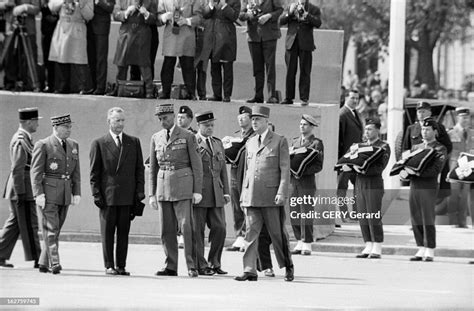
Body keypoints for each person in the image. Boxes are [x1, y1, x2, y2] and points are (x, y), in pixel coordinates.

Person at [235, 105, 293, 282]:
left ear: (267, 121)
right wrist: (243, 194)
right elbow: (246, 170)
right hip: (252, 196)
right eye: (252, 119)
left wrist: (282, 192)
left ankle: (288, 267)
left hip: (271, 197)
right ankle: (249, 270)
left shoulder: (279, 140)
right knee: (251, 234)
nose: (254, 122)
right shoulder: (250, 142)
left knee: (277, 234)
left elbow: (285, 169)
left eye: (257, 119)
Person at [149, 103, 203, 277]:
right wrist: (152, 193)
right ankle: (171, 265)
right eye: (160, 119)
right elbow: (153, 168)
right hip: (163, 185)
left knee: (187, 227)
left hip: (183, 185)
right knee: (166, 229)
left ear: (173, 116)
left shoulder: (187, 136)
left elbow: (196, 164)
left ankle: (191, 265)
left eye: (165, 118)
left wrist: (197, 190)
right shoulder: (156, 137)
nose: (162, 121)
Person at [89, 107, 145, 276]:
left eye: (122, 120)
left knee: (123, 233)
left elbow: (139, 170)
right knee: (107, 233)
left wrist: (139, 193)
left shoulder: (133, 142)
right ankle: (109, 265)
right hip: (108, 197)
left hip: (127, 197)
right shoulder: (99, 143)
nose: (120, 124)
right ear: (109, 121)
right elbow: (94, 173)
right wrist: (96, 194)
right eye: (116, 120)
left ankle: (121, 265)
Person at [31, 114, 81, 274]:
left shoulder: (74, 145)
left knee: (55, 229)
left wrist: (76, 192)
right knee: (51, 229)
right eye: (65, 127)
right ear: (55, 127)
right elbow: (36, 172)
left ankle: (43, 263)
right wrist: (38, 194)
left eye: (70, 127)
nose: (69, 130)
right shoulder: (43, 145)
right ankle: (55, 262)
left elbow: (76, 171)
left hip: (65, 193)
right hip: (48, 193)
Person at [400, 119, 447, 262]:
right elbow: (406, 163)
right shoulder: (415, 147)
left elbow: (435, 169)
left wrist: (416, 172)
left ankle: (430, 248)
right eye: (422, 129)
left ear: (435, 132)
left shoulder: (440, 148)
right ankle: (420, 247)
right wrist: (404, 172)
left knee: (427, 217)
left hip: (428, 185)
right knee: (416, 216)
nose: (424, 132)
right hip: (415, 185)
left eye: (427, 129)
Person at [0, 108, 42, 268]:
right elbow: (18, 168)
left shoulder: (25, 138)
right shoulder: (20, 139)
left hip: (21, 187)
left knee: (15, 223)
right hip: (21, 188)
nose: (38, 123)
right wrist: (21, 192)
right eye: (36, 120)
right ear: (29, 122)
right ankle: (39, 258)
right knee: (31, 223)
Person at [193, 111, 230, 275]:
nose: (210, 128)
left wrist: (226, 192)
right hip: (199, 193)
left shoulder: (217, 143)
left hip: (217, 192)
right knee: (197, 230)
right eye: (206, 125)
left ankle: (214, 262)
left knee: (220, 228)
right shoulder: (192, 142)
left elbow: (223, 169)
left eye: (212, 125)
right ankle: (200, 265)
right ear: (198, 126)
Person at [349, 118, 390, 259]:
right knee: (362, 214)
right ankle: (368, 243)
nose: (367, 132)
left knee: (373, 214)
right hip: (360, 183)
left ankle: (377, 244)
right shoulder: (359, 146)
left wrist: (362, 169)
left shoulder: (383, 146)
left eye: (370, 129)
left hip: (373, 182)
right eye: (366, 129)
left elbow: (380, 167)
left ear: (378, 130)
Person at [289, 114, 324, 255]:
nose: (301, 126)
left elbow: (318, 165)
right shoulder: (295, 141)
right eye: (301, 124)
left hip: (307, 181)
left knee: (306, 211)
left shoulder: (316, 143)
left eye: (305, 124)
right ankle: (299, 240)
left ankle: (307, 242)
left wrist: (302, 171)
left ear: (311, 127)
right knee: (294, 211)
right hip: (293, 182)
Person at [111, 0, 157, 98]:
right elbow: (115, 14)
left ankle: (149, 90)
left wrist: (146, 13)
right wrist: (126, 12)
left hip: (142, 33)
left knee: (144, 63)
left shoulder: (150, 1)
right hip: (126, 33)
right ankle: (119, 88)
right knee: (121, 62)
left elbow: (155, 19)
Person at [156, 0, 202, 100]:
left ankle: (191, 92)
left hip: (187, 36)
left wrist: (187, 20)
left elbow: (199, 17)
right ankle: (165, 91)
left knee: (188, 66)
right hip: (171, 35)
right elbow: (158, 18)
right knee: (168, 64)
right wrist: (164, 17)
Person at [239, 0, 283, 104]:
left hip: (269, 35)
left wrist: (269, 16)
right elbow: (240, 15)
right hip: (253, 36)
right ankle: (258, 95)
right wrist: (248, 15)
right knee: (257, 67)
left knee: (270, 66)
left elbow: (279, 10)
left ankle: (272, 95)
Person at [279, 0, 321, 106]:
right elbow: (281, 21)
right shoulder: (290, 6)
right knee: (290, 71)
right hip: (291, 43)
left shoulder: (313, 8)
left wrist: (307, 15)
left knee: (305, 72)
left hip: (306, 44)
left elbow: (318, 23)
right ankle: (289, 97)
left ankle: (304, 98)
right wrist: (290, 13)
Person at [197, 0, 240, 102]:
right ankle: (217, 94)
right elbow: (205, 14)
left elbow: (234, 16)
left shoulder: (234, 1)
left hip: (227, 38)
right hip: (213, 38)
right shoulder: (210, 1)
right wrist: (211, 5)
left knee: (227, 68)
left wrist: (224, 5)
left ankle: (227, 94)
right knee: (215, 68)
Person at [48, 0, 94, 94]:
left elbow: (89, 16)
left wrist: (81, 4)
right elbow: (52, 6)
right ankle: (62, 86)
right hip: (63, 26)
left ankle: (84, 86)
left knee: (79, 58)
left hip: (77, 27)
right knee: (62, 56)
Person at [225, 105, 254, 252]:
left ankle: (246, 236)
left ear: (251, 118)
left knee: (246, 206)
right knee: (236, 205)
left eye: (244, 117)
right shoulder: (237, 135)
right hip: (235, 172)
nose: (241, 119)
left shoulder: (253, 136)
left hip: (247, 173)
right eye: (239, 117)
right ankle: (239, 236)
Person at [337, 89, 363, 221]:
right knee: (342, 187)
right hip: (345, 159)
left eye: (357, 98)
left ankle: (356, 212)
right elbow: (339, 140)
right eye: (352, 98)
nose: (355, 101)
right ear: (346, 98)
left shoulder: (355, 113)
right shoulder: (342, 114)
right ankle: (343, 214)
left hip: (356, 159)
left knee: (358, 185)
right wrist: (341, 160)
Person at [447, 108, 474, 228]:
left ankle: (462, 222)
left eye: (467, 117)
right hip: (455, 167)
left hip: (469, 168)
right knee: (453, 194)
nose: (465, 120)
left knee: (464, 195)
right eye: (463, 117)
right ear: (458, 118)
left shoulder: (472, 133)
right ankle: (453, 221)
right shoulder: (451, 133)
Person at [176, 105, 196, 248]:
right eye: (178, 117)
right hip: (175, 177)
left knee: (188, 210)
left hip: (189, 176)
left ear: (190, 119)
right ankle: (178, 234)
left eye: (182, 117)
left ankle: (185, 234)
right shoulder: (172, 134)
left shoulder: (194, 135)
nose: (179, 120)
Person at [86, 0, 115, 95]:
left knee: (100, 58)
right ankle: (92, 86)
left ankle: (100, 87)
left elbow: (110, 7)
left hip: (101, 26)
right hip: (88, 24)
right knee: (91, 58)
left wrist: (99, 2)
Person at [40, 0, 59, 93]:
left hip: (58, 33)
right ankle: (49, 84)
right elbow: (44, 10)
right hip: (47, 34)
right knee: (47, 61)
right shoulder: (46, 4)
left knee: (56, 61)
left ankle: (56, 85)